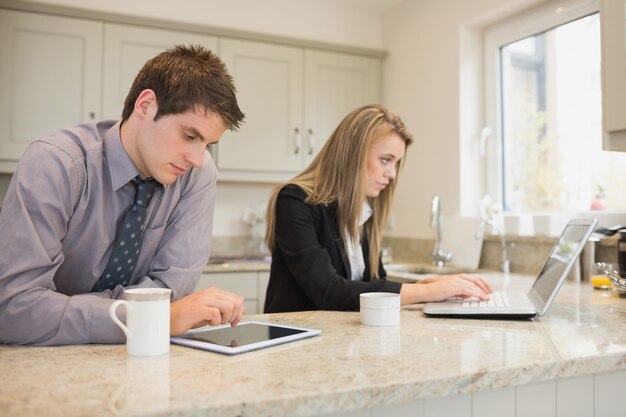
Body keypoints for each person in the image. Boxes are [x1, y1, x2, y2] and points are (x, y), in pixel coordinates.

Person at [0, 44, 247, 345]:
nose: (197, 157)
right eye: (189, 135)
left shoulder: (198, 175)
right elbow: (16, 309)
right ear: (145, 106)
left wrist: (71, 310)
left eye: (207, 144)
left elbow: (172, 292)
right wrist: (150, 317)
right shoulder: (55, 164)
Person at [263, 104, 492, 313]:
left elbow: (369, 287)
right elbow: (329, 291)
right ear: (352, 155)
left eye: (396, 163)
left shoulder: (364, 211)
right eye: (385, 160)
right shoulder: (294, 201)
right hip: (298, 344)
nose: (392, 174)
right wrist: (427, 292)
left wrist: (437, 285)